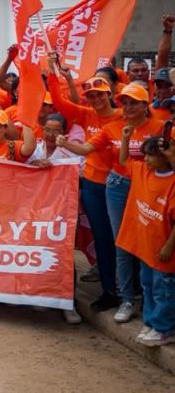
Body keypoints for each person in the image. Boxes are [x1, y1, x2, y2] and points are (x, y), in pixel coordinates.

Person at [58, 83, 165, 322]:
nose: (128, 107)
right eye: (125, 102)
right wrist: (64, 143)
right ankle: (126, 299)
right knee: (122, 243)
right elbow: (87, 148)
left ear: (145, 104)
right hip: (117, 186)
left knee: (147, 243)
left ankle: (148, 298)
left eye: (134, 102)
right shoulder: (113, 128)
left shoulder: (159, 127)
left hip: (148, 188)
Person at [47, 53, 125, 312]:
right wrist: (53, 71)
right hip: (93, 186)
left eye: (100, 94)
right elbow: (58, 100)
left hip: (121, 186)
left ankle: (130, 290)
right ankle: (109, 290)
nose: (96, 99)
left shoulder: (124, 117)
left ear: (110, 94)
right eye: (91, 96)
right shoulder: (86, 114)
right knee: (102, 238)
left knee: (123, 239)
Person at [116, 134, 175, 347]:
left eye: (152, 155)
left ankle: (165, 329)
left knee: (163, 290)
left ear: (165, 157)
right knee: (148, 285)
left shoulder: (172, 182)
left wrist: (168, 246)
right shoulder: (142, 171)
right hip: (146, 247)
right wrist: (125, 139)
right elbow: (124, 160)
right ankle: (150, 322)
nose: (146, 159)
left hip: (163, 251)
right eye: (146, 155)